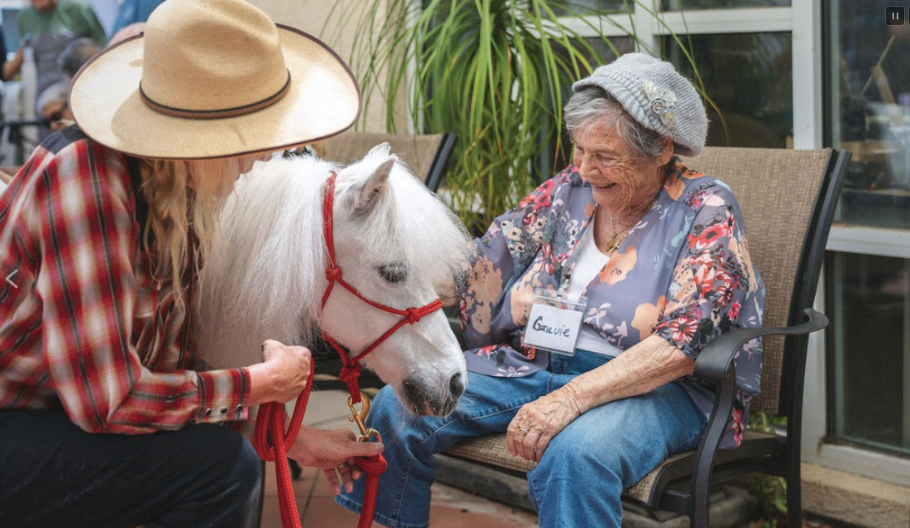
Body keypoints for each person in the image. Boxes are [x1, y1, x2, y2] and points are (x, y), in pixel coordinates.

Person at [337, 53, 766, 528]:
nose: (585, 169)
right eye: (579, 150)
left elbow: (684, 347)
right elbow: (476, 266)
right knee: (398, 409)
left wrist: (570, 399)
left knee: (576, 456)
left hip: (652, 388)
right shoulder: (569, 190)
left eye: (604, 156)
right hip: (537, 362)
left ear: (663, 149)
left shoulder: (705, 209)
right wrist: (374, 270)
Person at [0, 1, 377, 527]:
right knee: (217, 470)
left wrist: (290, 442)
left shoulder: (176, 194)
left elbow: (172, 373)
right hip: (17, 423)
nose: (267, 154)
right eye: (254, 133)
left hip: (50, 417)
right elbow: (110, 403)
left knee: (222, 459)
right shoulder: (84, 179)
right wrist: (258, 384)